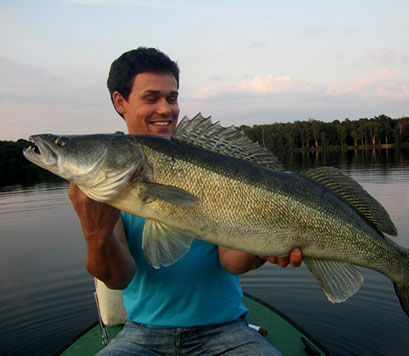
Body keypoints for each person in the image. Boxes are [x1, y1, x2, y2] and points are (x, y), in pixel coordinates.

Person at [68, 47, 303, 355]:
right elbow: (117, 278)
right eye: (151, 98)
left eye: (172, 97)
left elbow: (232, 261)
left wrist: (264, 248)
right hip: (142, 334)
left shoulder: (213, 161)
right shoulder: (108, 181)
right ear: (120, 102)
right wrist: (94, 233)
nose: (166, 109)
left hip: (225, 328)